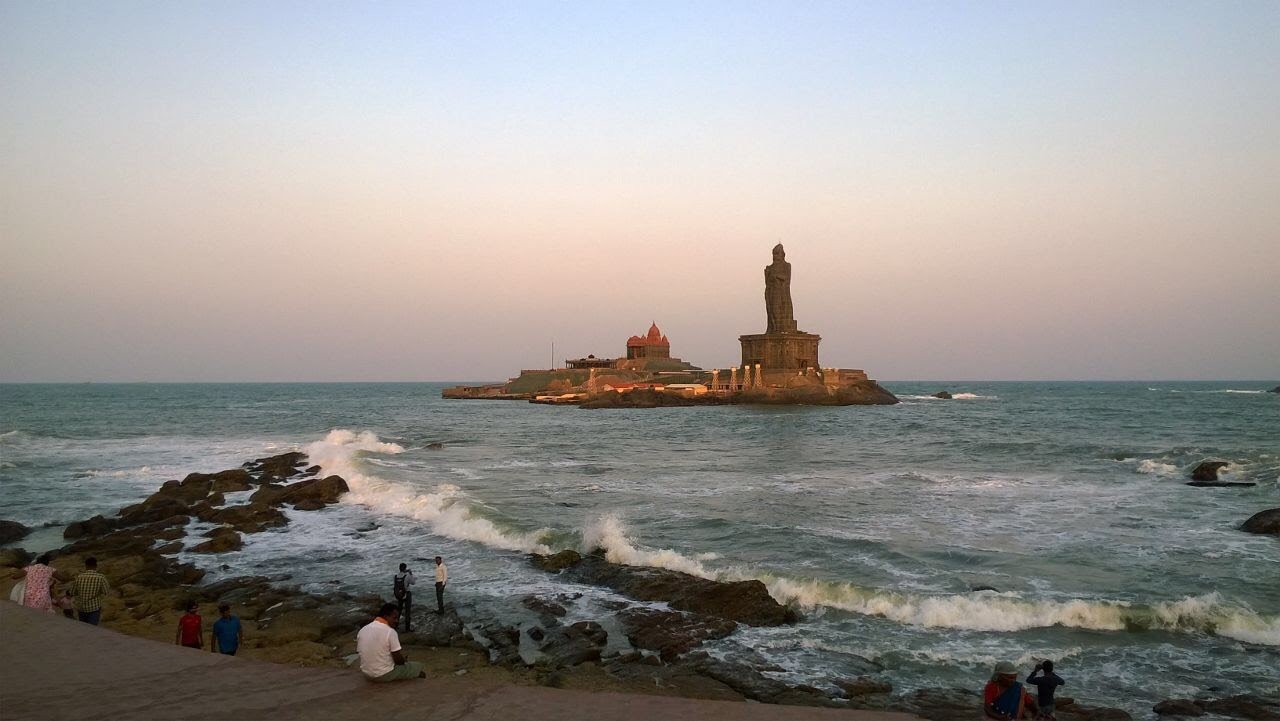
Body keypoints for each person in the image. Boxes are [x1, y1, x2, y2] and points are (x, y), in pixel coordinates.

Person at [356, 602, 425, 682]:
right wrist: (404, 661)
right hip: (383, 674)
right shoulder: (390, 632)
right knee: (417, 666)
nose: (396, 621)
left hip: (367, 674)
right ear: (385, 616)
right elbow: (398, 661)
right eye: (394, 618)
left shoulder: (363, 630)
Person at [71, 556, 110, 625]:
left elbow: (73, 592)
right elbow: (106, 592)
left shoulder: (79, 577)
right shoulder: (101, 577)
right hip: (94, 608)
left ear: (86, 566)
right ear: (96, 566)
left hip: (81, 608)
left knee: (83, 628)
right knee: (92, 628)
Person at [393, 563, 414, 631]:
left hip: (399, 595)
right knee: (407, 611)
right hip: (407, 594)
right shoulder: (407, 576)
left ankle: (395, 625)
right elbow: (413, 582)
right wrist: (411, 573)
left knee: (399, 610)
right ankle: (407, 628)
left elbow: (395, 586)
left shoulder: (396, 576)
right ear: (405, 568)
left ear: (399, 568)